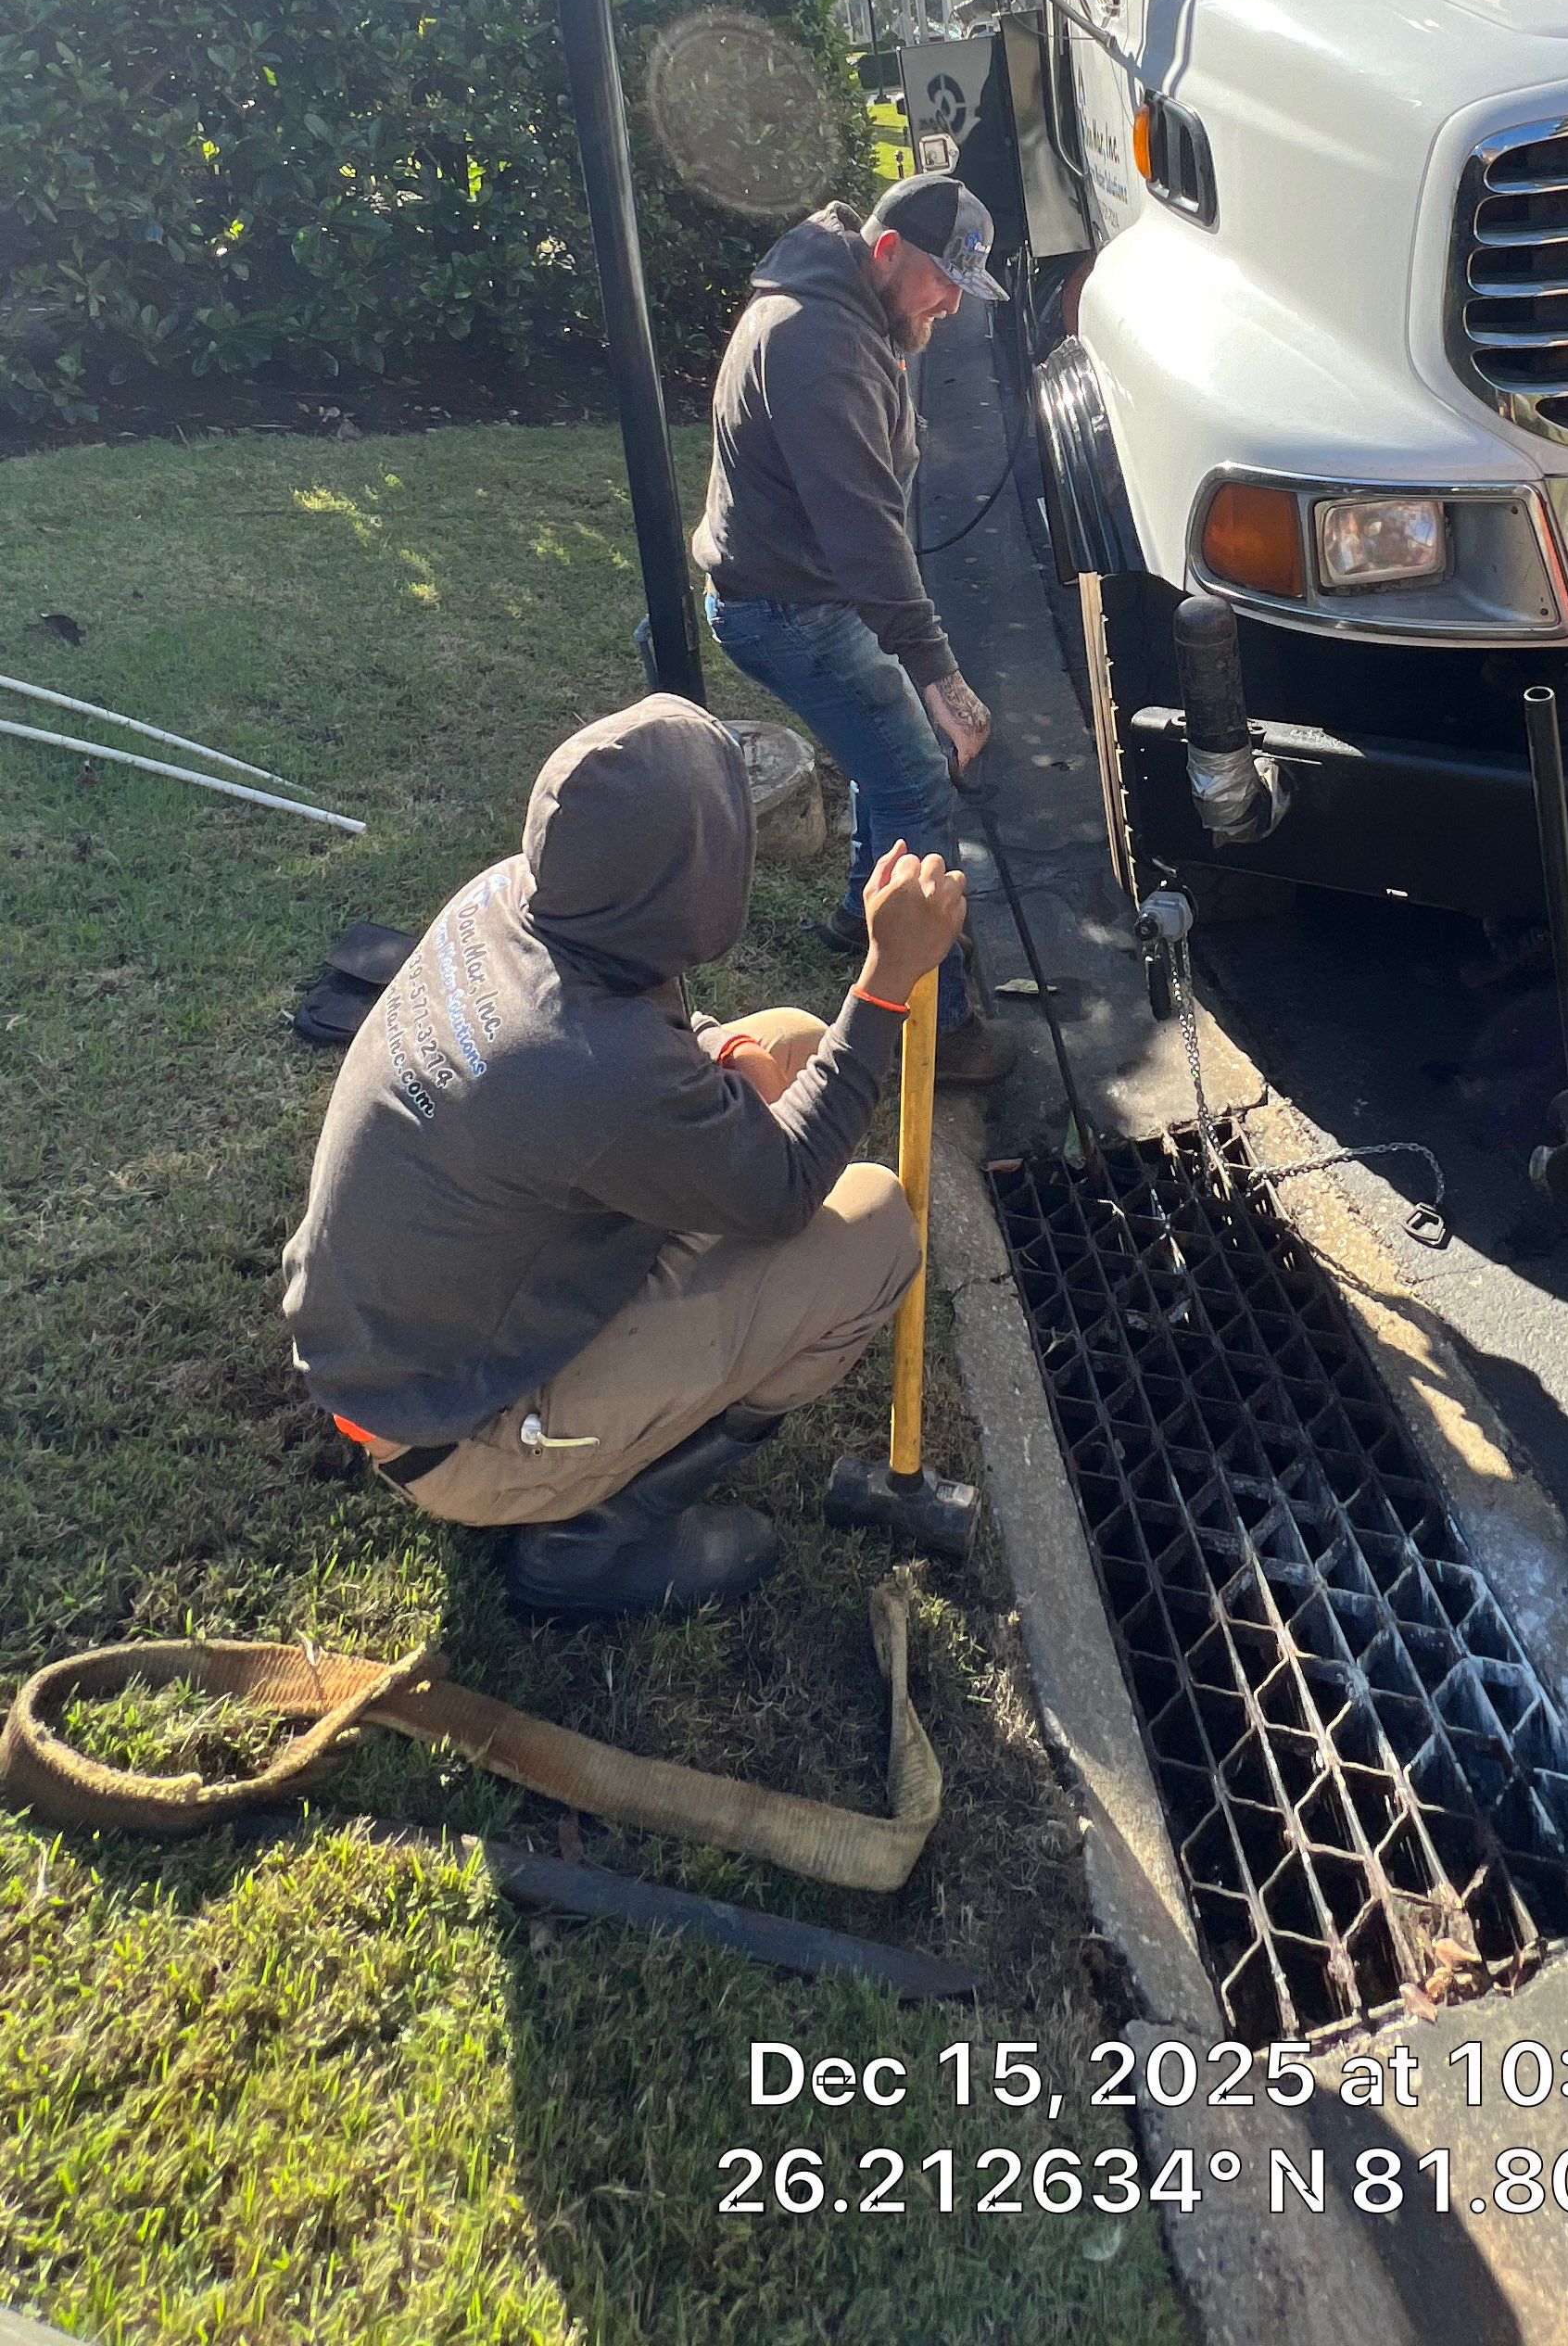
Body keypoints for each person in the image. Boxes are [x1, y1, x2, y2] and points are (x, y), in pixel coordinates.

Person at [282, 694, 961, 1616]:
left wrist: (717, 1049)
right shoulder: (588, 1069)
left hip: (401, 1334)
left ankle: (603, 1447)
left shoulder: (513, 895)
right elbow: (789, 1187)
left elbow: (618, 1051)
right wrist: (886, 983)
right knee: (874, 1227)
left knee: (795, 1042)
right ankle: (589, 1538)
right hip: (452, 1429)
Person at [695, 171, 1019, 1086]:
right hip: (787, 608)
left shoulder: (850, 311)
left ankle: (854, 917)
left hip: (803, 590)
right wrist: (942, 679)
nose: (952, 305)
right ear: (884, 253)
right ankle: (941, 1031)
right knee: (920, 776)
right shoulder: (818, 342)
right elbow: (865, 539)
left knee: (892, 755)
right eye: (942, 282)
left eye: (963, 287)